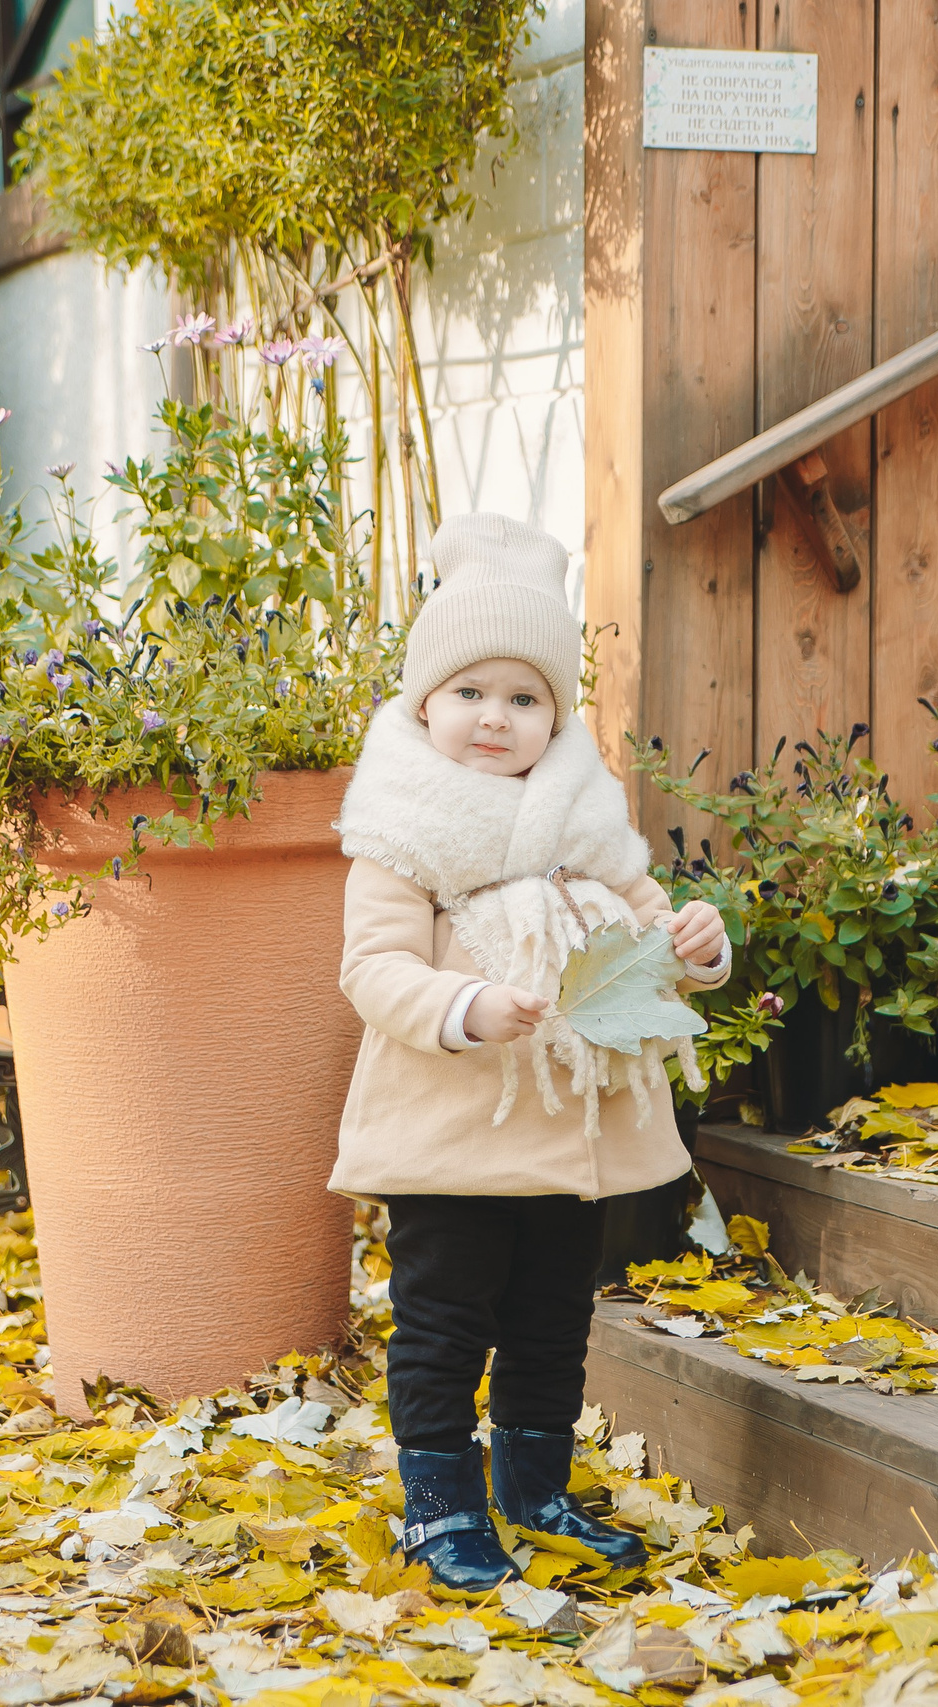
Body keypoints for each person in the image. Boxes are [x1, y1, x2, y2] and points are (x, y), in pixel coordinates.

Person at [330, 512, 731, 1588]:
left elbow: (647, 938)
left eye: (524, 698)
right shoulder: (401, 831)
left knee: (553, 1321)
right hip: (451, 1134)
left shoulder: (584, 825)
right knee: (443, 1323)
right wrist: (463, 1004)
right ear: (425, 701)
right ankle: (440, 1506)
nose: (495, 718)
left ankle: (535, 1487)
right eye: (470, 691)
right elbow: (372, 968)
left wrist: (695, 946)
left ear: (556, 715)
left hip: (566, 1137)